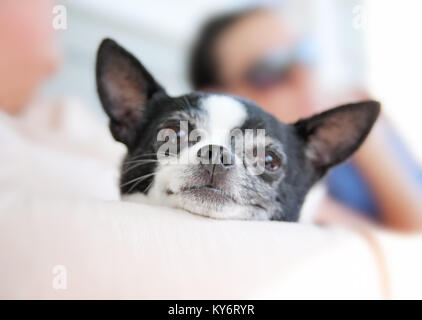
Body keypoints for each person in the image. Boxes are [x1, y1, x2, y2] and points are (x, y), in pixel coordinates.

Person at [189, 7, 422, 231]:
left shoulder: (361, 115)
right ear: (218, 97)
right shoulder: (261, 183)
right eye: (272, 68)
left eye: (305, 52)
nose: (303, 76)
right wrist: (372, 147)